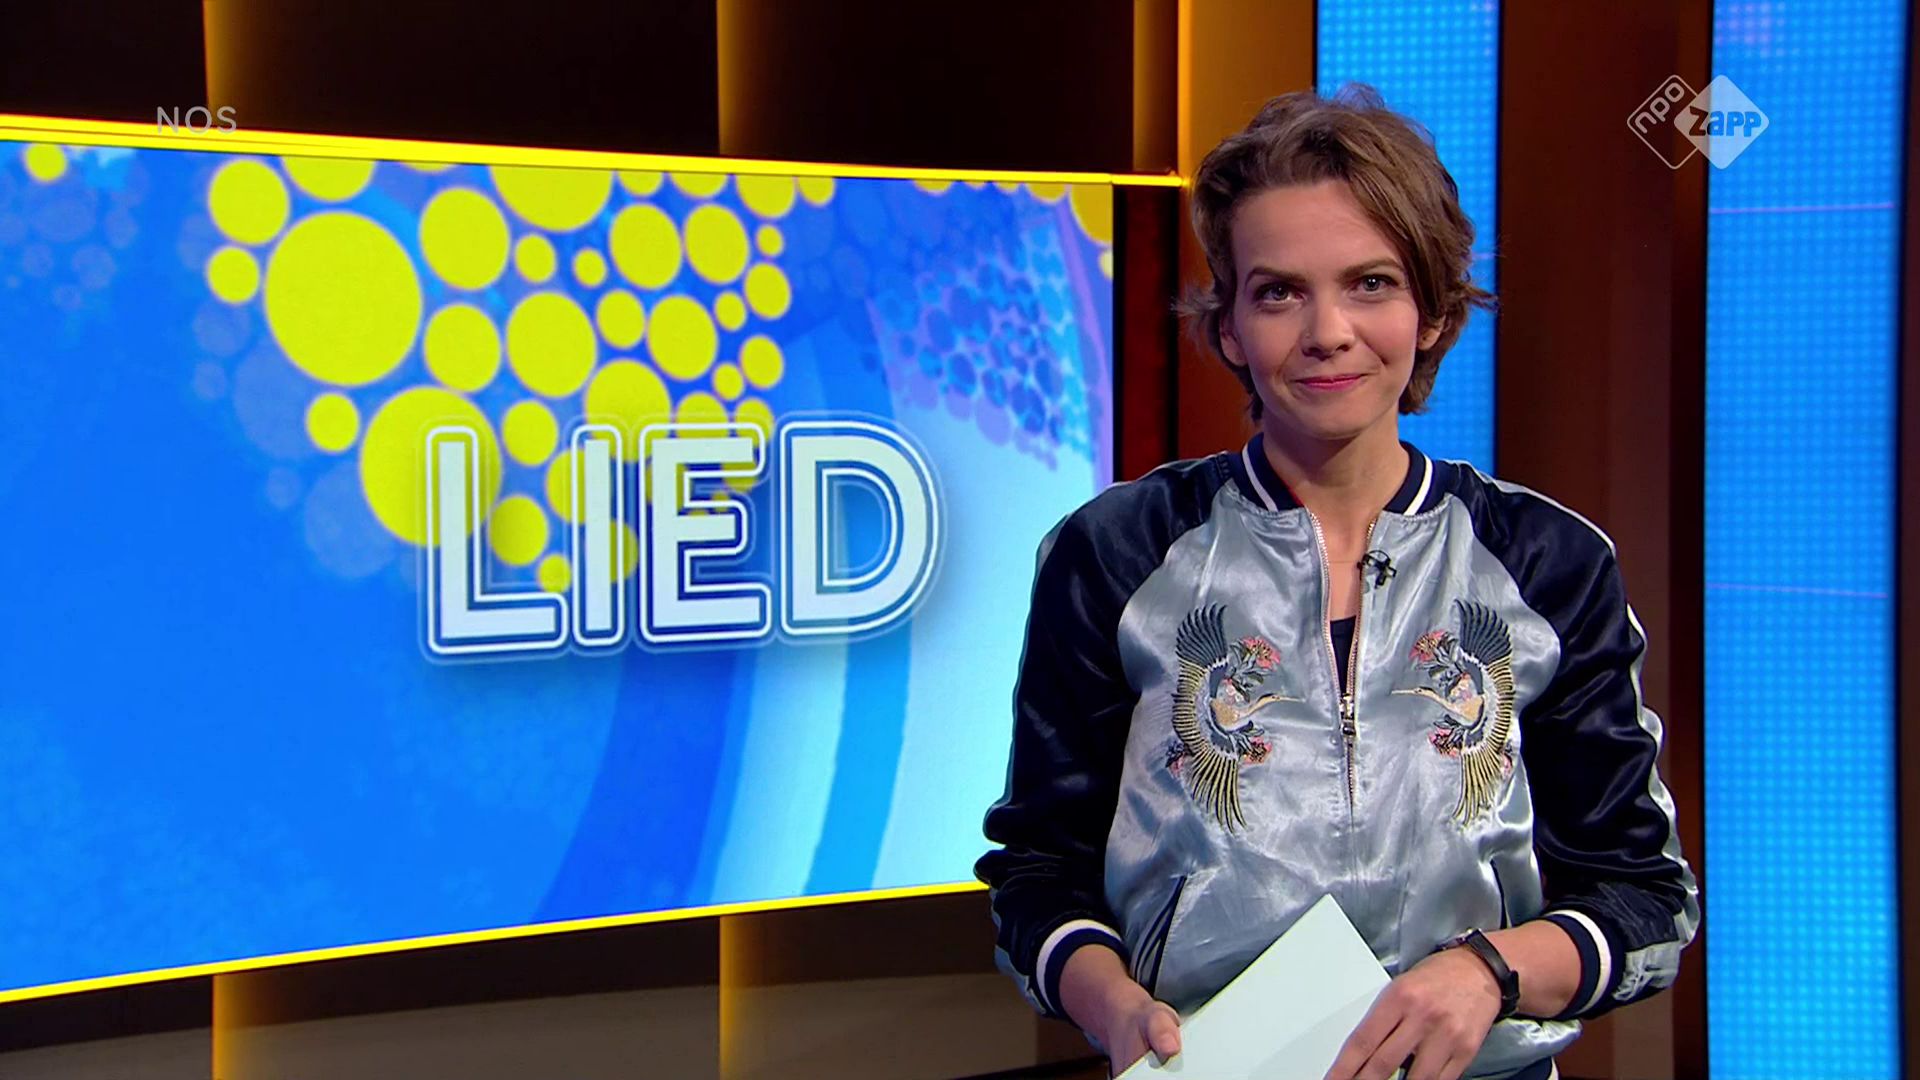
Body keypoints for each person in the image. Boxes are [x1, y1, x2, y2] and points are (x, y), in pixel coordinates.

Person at [975, 85, 1698, 1080]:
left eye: (1370, 284)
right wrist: (1114, 1007)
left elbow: (1644, 898)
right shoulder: (1118, 551)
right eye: (1278, 292)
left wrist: (1488, 972)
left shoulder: (1545, 561)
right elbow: (1038, 871)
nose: (1327, 331)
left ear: (1432, 311)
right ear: (1230, 326)